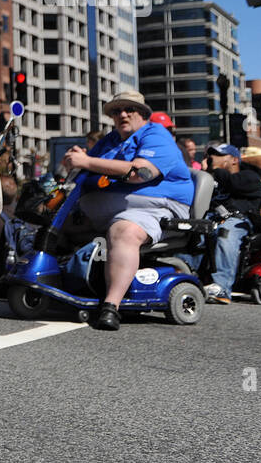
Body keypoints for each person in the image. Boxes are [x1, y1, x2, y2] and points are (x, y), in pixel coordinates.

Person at [61, 91, 193, 331]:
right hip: (110, 206)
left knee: (124, 231)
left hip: (155, 206)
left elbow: (139, 173)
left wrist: (87, 162)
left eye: (129, 109)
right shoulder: (110, 140)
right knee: (56, 225)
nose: (121, 114)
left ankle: (111, 306)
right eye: (115, 111)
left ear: (143, 114)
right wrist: (74, 159)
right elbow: (85, 168)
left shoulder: (156, 134)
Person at [191, 144, 261, 304]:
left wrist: (212, 171)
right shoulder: (211, 178)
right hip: (211, 219)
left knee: (225, 233)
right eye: (210, 155)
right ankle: (188, 280)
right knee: (191, 232)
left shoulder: (249, 176)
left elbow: (232, 183)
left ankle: (222, 287)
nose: (212, 158)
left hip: (238, 221)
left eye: (218, 155)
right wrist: (202, 174)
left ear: (234, 160)